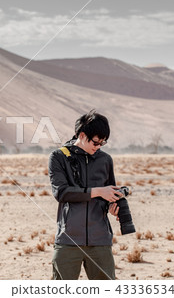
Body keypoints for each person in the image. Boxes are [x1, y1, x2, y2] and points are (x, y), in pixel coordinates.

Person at [48, 110, 121, 280]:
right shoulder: (58, 157)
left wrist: (112, 206)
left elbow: (109, 193)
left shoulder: (105, 160)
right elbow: (62, 192)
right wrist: (97, 191)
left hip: (100, 240)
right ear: (82, 135)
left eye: (102, 143)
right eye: (96, 142)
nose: (98, 147)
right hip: (68, 239)